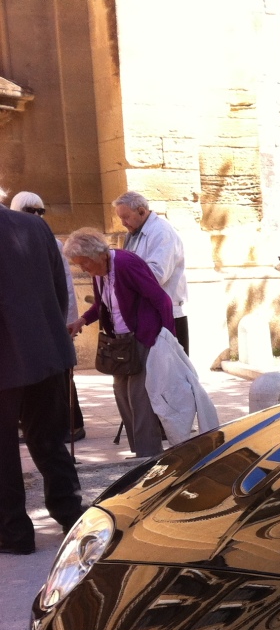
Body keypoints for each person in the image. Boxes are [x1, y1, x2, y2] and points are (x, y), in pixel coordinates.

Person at [0, 191, 84, 554]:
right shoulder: (35, 226)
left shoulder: (33, 227)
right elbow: (59, 291)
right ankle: (70, 515)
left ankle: (14, 533)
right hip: (46, 350)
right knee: (50, 440)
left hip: (8, 358)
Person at [65, 228, 175, 459]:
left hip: (142, 338)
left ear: (97, 255)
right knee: (122, 394)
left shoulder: (125, 264)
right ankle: (139, 451)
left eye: (84, 263)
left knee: (139, 397)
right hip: (119, 344)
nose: (83, 269)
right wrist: (82, 321)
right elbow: (102, 305)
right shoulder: (99, 271)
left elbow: (161, 299)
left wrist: (168, 339)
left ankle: (149, 453)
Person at [8, 191, 86, 442]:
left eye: (40, 211)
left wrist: (66, 321)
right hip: (25, 328)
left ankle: (72, 425)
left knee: (58, 379)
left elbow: (64, 286)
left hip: (46, 325)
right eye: (30, 211)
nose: (36, 216)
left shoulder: (51, 242)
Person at [113, 191, 190, 354]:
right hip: (145, 314)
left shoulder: (161, 231)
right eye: (121, 218)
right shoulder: (133, 234)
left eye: (126, 217)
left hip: (167, 315)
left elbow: (156, 275)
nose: (123, 223)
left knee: (171, 374)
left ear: (141, 211)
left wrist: (123, 283)